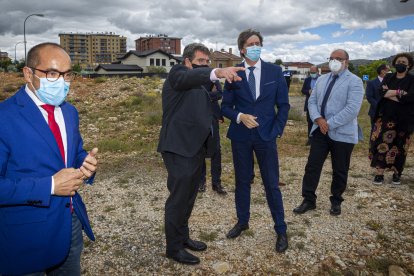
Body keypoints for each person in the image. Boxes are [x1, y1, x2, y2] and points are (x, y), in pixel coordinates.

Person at [0, 42, 98, 275]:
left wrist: (86, 163)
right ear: (28, 74)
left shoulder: (69, 112)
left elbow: (73, 154)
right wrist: (51, 185)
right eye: (53, 73)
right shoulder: (4, 117)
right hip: (23, 236)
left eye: (67, 74)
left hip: (69, 225)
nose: (62, 81)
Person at [157, 43, 244, 265]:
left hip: (195, 148)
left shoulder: (202, 83)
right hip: (178, 148)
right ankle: (173, 248)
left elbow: (209, 101)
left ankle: (183, 238)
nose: (205, 65)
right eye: (201, 62)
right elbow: (186, 80)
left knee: (189, 197)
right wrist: (217, 72)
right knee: (178, 200)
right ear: (188, 62)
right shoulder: (178, 73)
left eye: (208, 62)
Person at [221, 29, 290, 253]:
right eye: (251, 43)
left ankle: (280, 229)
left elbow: (284, 105)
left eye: (258, 43)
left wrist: (276, 130)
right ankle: (242, 222)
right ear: (242, 48)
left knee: (271, 184)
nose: (255, 46)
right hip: (241, 137)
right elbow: (225, 107)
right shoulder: (234, 73)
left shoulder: (274, 71)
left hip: (266, 137)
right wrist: (240, 117)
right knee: (242, 181)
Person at [293, 49, 364, 216]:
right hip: (320, 131)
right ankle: (309, 200)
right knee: (312, 166)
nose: (334, 61)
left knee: (340, 169)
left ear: (347, 61)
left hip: (343, 133)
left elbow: (352, 109)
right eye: (331, 58)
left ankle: (336, 200)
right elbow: (312, 101)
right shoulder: (322, 79)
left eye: (338, 58)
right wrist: (318, 119)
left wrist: (329, 124)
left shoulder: (354, 81)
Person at [369, 53, 414, 185]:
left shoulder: (412, 80)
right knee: (382, 144)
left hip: (405, 120)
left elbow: (411, 97)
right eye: (399, 61)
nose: (401, 63)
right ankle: (379, 174)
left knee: (400, 146)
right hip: (386, 118)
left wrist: (390, 93)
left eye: (404, 62)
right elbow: (381, 93)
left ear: (409, 65)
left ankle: (396, 174)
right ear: (395, 63)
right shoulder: (388, 76)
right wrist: (400, 93)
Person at [199, 80, 227, 195]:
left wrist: (201, 96)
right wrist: (210, 95)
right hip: (197, 118)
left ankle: (216, 183)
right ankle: (201, 182)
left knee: (216, 151)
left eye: (207, 60)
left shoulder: (213, 77)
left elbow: (220, 93)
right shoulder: (192, 76)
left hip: (212, 118)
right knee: (199, 150)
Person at [366, 64, 391, 129]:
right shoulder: (371, 83)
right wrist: (379, 106)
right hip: (376, 112)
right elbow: (369, 97)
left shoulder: (391, 82)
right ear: (382, 71)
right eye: (388, 70)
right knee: (375, 133)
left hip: (389, 113)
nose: (390, 72)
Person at [301, 66, 319, 145]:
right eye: (311, 72)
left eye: (314, 72)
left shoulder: (322, 79)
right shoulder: (307, 80)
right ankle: (310, 138)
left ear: (318, 72)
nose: (312, 74)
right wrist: (308, 91)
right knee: (310, 121)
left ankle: (318, 138)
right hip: (309, 104)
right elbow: (303, 90)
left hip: (319, 105)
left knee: (318, 120)